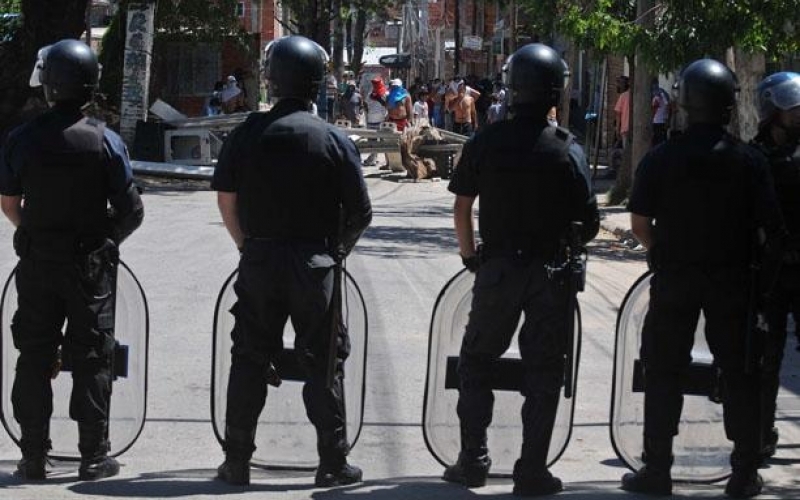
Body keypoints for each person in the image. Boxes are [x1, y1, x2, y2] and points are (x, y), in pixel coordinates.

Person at [212, 35, 372, 488]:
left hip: (260, 260)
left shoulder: (246, 133)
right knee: (322, 363)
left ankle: (237, 461)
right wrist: (333, 251)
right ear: (316, 82)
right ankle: (332, 462)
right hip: (314, 262)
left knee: (248, 358)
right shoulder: (334, 139)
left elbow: (226, 198)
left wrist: (246, 245)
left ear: (271, 79)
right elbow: (360, 213)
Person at [623, 58, 784, 498]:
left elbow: (640, 224)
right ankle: (744, 472)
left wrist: (663, 253)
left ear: (683, 104)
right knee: (739, 373)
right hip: (733, 282)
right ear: (728, 106)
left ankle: (657, 469)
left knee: (663, 370)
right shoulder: (748, 160)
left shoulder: (662, 157)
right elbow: (770, 227)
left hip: (674, 279)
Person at [444, 43, 599, 497]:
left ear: (512, 89)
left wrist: (470, 255)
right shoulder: (567, 148)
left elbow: (462, 205)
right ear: (554, 91)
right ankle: (531, 470)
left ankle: (473, 460)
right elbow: (588, 221)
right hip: (550, 273)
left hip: (496, 270)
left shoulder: (486, 140)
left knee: (476, 361)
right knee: (545, 370)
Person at [0, 39, 144, 481]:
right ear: (90, 85)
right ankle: (92, 455)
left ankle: (32, 456)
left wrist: (35, 232)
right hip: (90, 267)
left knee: (34, 355)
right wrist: (104, 240)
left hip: (39, 262)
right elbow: (132, 210)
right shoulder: (106, 141)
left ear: (49, 85)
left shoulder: (21, 138)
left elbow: (9, 202)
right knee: (92, 357)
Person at [751, 71, 800, 462]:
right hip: (770, 274)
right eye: (791, 107)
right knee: (767, 356)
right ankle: (761, 432)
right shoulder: (755, 157)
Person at [363, 76, 388, 166]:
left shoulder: (370, 94)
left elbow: (365, 104)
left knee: (372, 140)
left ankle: (373, 158)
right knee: (383, 140)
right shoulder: (385, 93)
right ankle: (385, 160)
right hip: (381, 119)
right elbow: (387, 105)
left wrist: (368, 113)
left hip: (371, 119)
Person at [651, 78, 671, 147]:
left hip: (659, 121)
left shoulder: (660, 93)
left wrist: (667, 119)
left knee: (659, 141)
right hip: (658, 121)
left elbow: (667, 106)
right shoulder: (662, 92)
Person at [613, 76, 631, 150]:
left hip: (625, 128)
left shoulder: (623, 96)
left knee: (626, 150)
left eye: (619, 83)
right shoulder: (634, 95)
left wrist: (617, 129)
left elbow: (618, 114)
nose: (617, 86)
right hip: (632, 128)